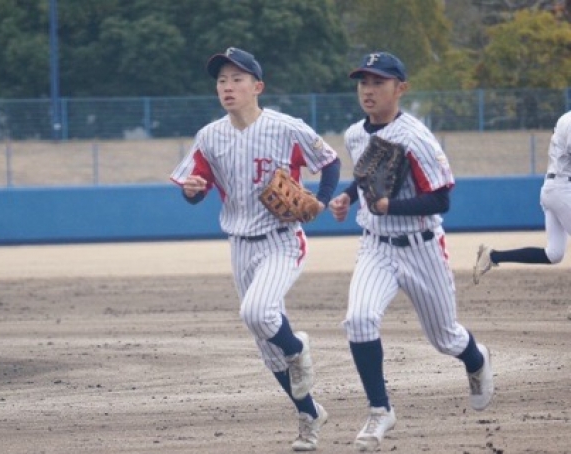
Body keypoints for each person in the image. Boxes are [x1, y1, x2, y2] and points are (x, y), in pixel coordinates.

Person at [170, 47, 341, 451]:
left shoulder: (286, 127)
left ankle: (298, 348)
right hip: (240, 247)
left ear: (257, 87)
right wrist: (192, 192)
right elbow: (196, 190)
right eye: (221, 80)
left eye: (237, 79)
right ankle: (309, 414)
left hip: (282, 240)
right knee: (267, 348)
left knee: (256, 312)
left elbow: (330, 161)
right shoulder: (209, 136)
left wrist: (320, 200)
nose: (227, 87)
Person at [328, 52, 494, 451]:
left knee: (445, 338)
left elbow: (440, 200)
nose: (368, 90)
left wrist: (391, 206)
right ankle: (379, 410)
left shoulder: (416, 137)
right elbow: (367, 178)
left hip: (421, 247)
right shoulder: (354, 134)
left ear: (400, 88)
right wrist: (348, 196)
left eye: (378, 82)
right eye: (363, 82)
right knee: (359, 319)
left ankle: (476, 359)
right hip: (375, 246)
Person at [473, 110, 571, 291]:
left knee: (554, 254)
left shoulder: (565, 118)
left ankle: (492, 256)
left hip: (555, 187)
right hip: (563, 188)